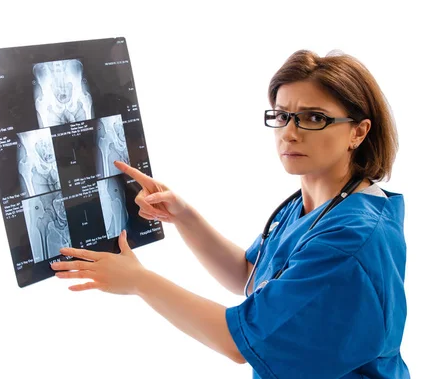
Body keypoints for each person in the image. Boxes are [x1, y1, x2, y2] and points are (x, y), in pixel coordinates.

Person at [50, 49, 410, 378]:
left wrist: (139, 282)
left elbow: (237, 342)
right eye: (282, 116)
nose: (289, 133)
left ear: (358, 132)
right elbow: (248, 275)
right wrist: (183, 216)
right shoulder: (308, 206)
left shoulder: (350, 239)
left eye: (313, 118)